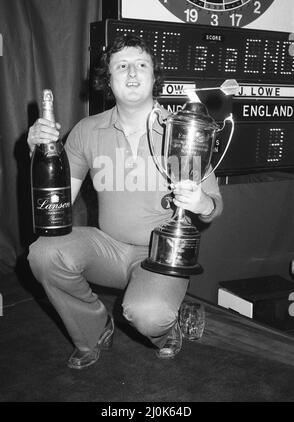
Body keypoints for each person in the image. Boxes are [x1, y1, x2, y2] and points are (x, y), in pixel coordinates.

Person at [27, 35, 223, 370]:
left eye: (141, 64)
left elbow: (214, 206)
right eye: (122, 66)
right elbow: (59, 201)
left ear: (153, 76)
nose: (132, 73)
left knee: (149, 316)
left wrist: (202, 201)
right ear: (108, 79)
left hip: (159, 256)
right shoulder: (87, 130)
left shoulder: (182, 129)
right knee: (44, 253)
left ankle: (166, 327)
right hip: (107, 248)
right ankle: (94, 330)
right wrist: (39, 150)